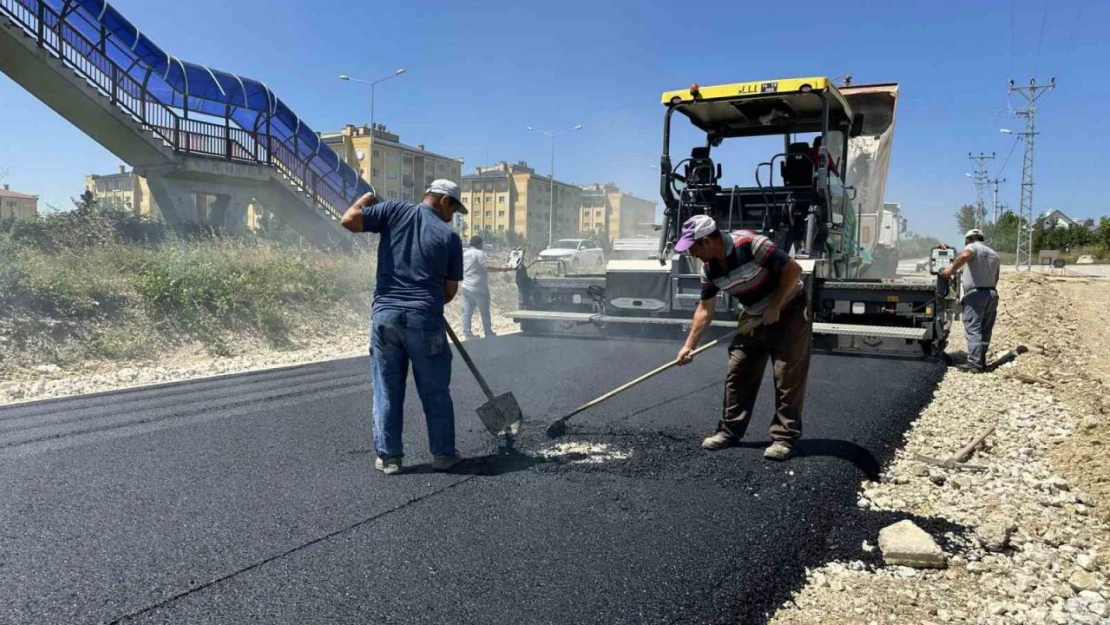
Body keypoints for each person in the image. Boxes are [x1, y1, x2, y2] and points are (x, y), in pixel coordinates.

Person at [340, 180, 467, 475]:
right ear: (444, 200)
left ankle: (390, 458)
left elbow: (349, 219)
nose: (454, 216)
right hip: (425, 320)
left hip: (385, 318)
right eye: (455, 208)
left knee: (386, 389)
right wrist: (426, 303)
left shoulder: (393, 212)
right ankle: (444, 455)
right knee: (435, 390)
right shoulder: (449, 237)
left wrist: (366, 198)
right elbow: (449, 292)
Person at [674, 214, 812, 461]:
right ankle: (729, 431)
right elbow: (705, 309)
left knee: (786, 374)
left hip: (789, 309)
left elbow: (794, 270)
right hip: (752, 316)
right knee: (738, 370)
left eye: (692, 247)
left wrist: (775, 305)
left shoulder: (750, 244)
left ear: (706, 241)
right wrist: (688, 346)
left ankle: (783, 438)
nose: (691, 254)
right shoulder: (709, 269)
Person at [940, 228, 1000, 373]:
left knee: (973, 329)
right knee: (985, 331)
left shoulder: (972, 247)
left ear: (968, 239)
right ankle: (981, 361)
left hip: (975, 295)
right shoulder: (994, 254)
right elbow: (996, 276)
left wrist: (949, 271)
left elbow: (966, 254)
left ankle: (974, 364)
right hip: (991, 293)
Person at [461, 235, 514, 340]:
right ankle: (488, 332)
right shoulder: (479, 253)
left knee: (467, 310)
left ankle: (467, 333)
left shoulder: (465, 254)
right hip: (478, 288)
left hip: (466, 287)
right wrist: (501, 269)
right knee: (484, 311)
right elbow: (485, 267)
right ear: (480, 244)